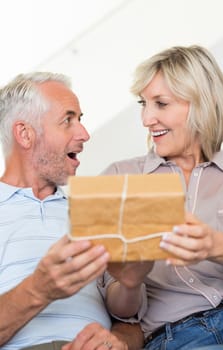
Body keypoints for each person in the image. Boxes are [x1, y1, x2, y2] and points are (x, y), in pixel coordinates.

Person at [98, 45, 223, 349]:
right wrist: (130, 282)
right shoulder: (117, 178)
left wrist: (216, 245)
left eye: (161, 103)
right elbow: (120, 310)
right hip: (180, 337)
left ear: (203, 103)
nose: (146, 118)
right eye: (143, 104)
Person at [0, 72, 144, 350]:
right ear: (25, 134)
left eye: (81, 119)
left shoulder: (94, 212)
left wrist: (121, 341)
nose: (84, 134)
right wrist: (38, 289)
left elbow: (132, 322)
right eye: (68, 120)